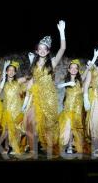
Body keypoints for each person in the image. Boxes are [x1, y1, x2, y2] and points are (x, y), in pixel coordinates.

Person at [22, 20, 66, 156]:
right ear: (37, 50)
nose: (42, 51)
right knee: (29, 121)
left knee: (48, 126)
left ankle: (50, 148)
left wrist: (61, 32)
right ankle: (32, 150)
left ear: (48, 51)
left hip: (48, 98)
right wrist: (25, 101)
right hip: (36, 97)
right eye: (39, 48)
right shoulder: (34, 66)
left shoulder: (52, 63)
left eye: (44, 49)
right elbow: (31, 82)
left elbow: (62, 49)